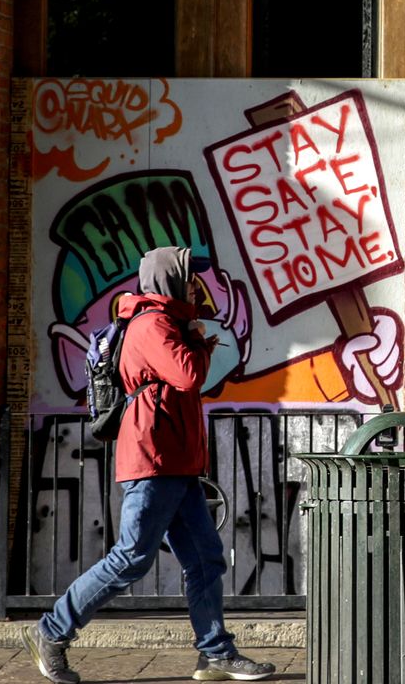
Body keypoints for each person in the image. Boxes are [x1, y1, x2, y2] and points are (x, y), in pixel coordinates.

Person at [26, 246, 276, 683]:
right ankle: (51, 631)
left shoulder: (168, 323)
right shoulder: (152, 323)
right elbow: (189, 375)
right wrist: (197, 337)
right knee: (131, 558)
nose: (197, 286)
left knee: (205, 559)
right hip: (152, 459)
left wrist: (193, 334)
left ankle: (216, 654)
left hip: (176, 462)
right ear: (169, 281)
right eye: (190, 277)